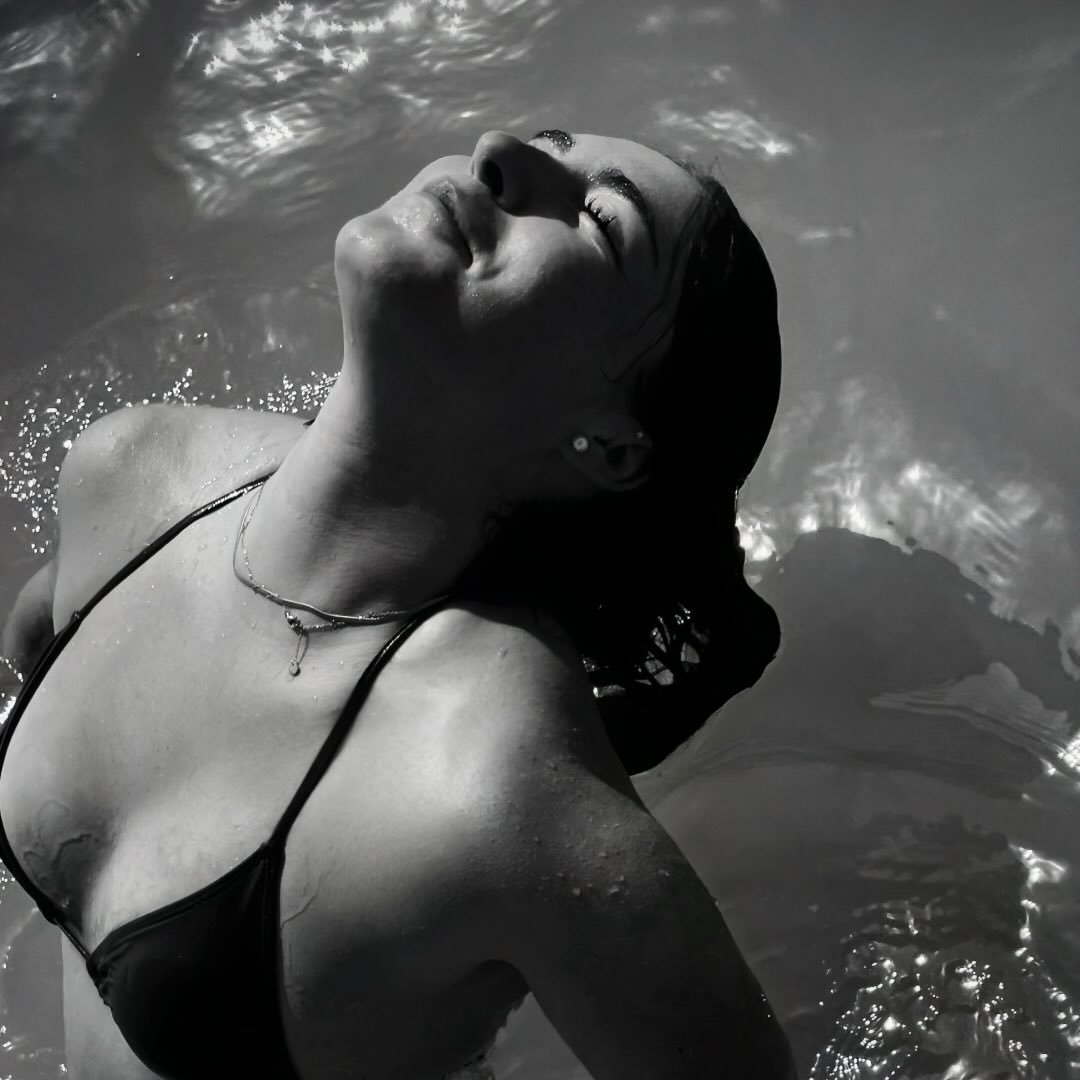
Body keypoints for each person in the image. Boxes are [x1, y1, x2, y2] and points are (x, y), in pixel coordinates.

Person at [0, 129, 796, 1079]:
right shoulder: (131, 474)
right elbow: (34, 645)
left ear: (613, 445)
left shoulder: (497, 787)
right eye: (545, 139)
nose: (499, 150)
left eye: (596, 217)